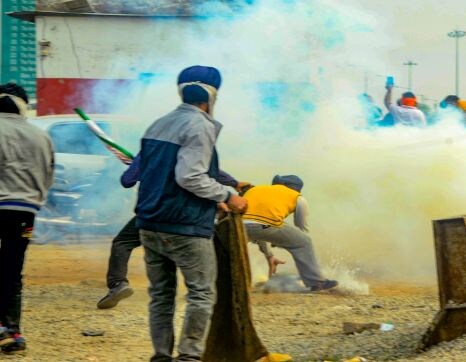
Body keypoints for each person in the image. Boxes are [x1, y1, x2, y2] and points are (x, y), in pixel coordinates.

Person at [135, 65, 248, 362]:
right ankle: (189, 356)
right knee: (200, 294)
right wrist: (227, 196)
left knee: (161, 296)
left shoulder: (157, 124)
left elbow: (155, 175)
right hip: (184, 225)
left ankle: (161, 356)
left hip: (149, 222)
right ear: (211, 96)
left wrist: (213, 200)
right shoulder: (199, 125)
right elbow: (189, 177)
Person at [96, 154, 248, 310]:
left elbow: (127, 181)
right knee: (190, 252)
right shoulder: (191, 153)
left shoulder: (149, 153)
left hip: (154, 213)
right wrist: (233, 184)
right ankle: (205, 292)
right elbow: (210, 174)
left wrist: (138, 165)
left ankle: (118, 284)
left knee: (123, 242)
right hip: (185, 215)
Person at [0, 83, 55, 353]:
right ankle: (12, 331)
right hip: (25, 211)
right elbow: (48, 176)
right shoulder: (40, 136)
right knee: (12, 270)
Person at [242, 175, 338, 291]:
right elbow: (301, 226)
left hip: (240, 226)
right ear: (296, 188)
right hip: (266, 226)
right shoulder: (297, 197)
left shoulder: (255, 189)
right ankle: (317, 282)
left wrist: (270, 254)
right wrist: (290, 241)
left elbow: (254, 228)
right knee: (304, 242)